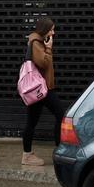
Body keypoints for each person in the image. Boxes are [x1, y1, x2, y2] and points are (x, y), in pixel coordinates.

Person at [21, 17, 66, 166]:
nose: (53, 33)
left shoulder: (39, 41)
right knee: (60, 115)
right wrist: (49, 48)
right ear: (44, 29)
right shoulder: (36, 43)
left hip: (42, 89)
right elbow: (43, 63)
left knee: (32, 122)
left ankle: (27, 155)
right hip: (42, 89)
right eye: (51, 30)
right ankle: (59, 151)